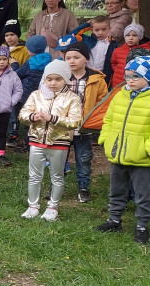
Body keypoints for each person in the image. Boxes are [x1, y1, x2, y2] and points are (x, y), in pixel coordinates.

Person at [18, 60, 82, 221]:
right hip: (36, 141)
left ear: (66, 79)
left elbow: (75, 121)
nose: (53, 83)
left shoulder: (72, 98)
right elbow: (23, 115)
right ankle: (33, 206)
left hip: (59, 143)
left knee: (57, 176)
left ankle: (53, 207)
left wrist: (52, 118)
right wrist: (33, 117)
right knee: (34, 176)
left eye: (58, 79)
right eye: (49, 79)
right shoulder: (36, 95)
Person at [97, 56, 150, 244]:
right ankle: (114, 220)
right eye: (128, 76)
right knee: (117, 189)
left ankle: (142, 226)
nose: (131, 80)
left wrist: (146, 148)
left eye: (136, 76)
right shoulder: (120, 95)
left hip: (142, 158)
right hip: (118, 153)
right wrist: (106, 138)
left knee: (144, 194)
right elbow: (109, 119)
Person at [57, 37, 109, 203]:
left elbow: (103, 103)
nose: (72, 61)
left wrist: (94, 121)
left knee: (84, 158)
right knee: (59, 159)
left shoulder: (97, 79)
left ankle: (83, 187)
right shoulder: (58, 76)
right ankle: (57, 186)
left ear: (86, 58)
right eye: (68, 58)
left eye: (76, 57)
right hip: (62, 126)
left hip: (83, 127)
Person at [11, 35, 52, 149]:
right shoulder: (49, 60)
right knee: (37, 118)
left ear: (31, 50)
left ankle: (24, 142)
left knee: (26, 118)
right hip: (41, 95)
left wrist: (14, 64)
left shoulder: (30, 63)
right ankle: (35, 141)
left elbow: (17, 74)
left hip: (26, 96)